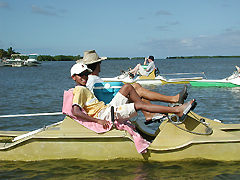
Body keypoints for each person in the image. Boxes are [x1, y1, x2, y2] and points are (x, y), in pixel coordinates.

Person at [70, 63, 196, 129]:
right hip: (105, 114)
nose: (84, 77)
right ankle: (176, 110)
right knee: (139, 103)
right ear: (74, 77)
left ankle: (149, 112)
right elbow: (75, 111)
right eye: (81, 75)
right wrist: (98, 120)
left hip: (107, 108)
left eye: (86, 74)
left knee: (128, 87)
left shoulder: (83, 87)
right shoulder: (80, 90)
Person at [79, 50, 188, 121]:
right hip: (106, 108)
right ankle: (172, 101)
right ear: (97, 64)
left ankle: (164, 106)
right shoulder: (90, 80)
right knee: (133, 88)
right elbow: (92, 100)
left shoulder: (92, 78)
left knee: (135, 86)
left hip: (108, 105)